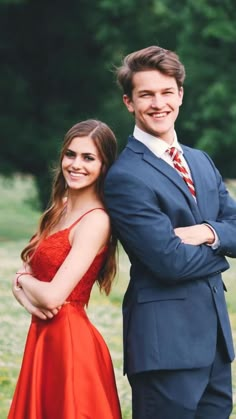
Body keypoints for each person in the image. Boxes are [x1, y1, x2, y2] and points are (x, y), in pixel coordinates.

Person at [104, 45, 236, 419]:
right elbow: (169, 262)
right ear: (129, 102)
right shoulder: (126, 176)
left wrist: (208, 232)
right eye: (146, 94)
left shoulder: (200, 160)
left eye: (166, 92)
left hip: (215, 345)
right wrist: (222, 249)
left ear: (180, 94)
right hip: (165, 348)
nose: (158, 103)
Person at [8, 119, 122, 419]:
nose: (76, 164)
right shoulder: (59, 206)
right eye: (70, 154)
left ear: (104, 165)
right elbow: (31, 270)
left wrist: (20, 281)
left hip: (71, 346)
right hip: (44, 338)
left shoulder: (97, 221)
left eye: (88, 158)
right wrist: (22, 286)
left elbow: (53, 296)